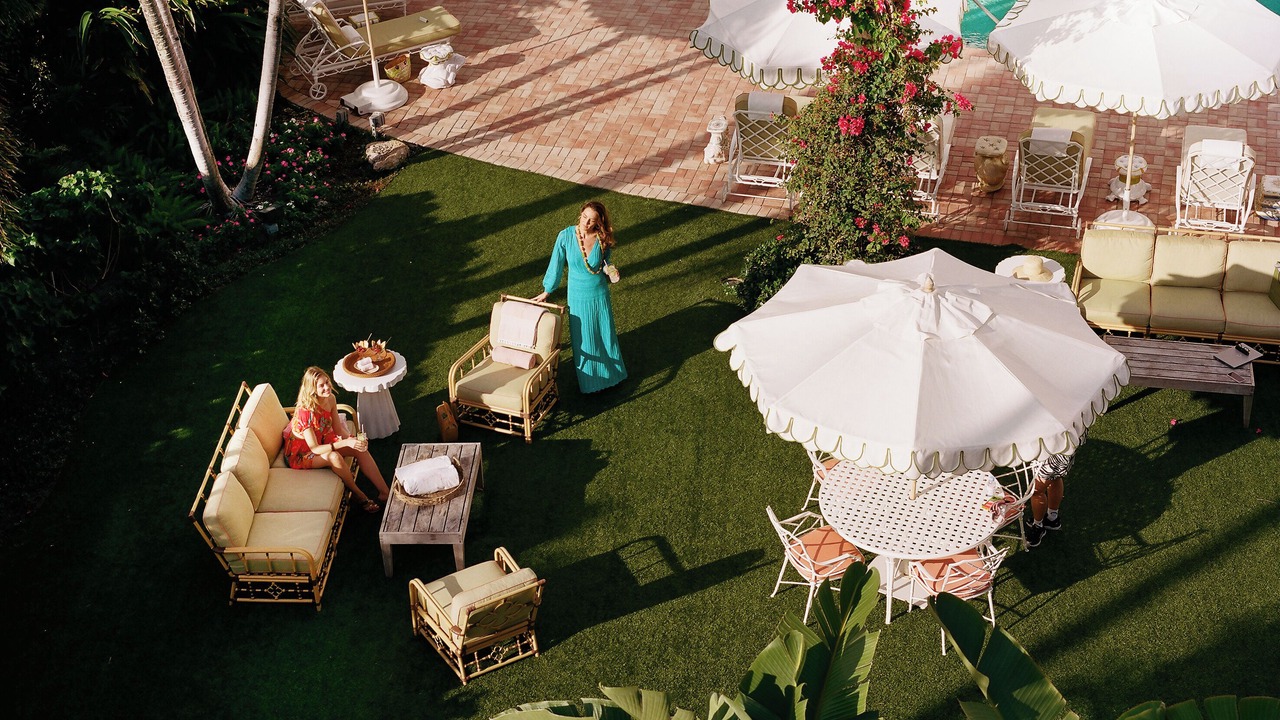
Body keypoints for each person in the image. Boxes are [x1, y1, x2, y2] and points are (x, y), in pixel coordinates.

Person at [532, 200, 628, 393]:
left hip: (599, 293)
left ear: (598, 222)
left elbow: (603, 263)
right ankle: (590, 382)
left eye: (591, 220)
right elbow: (556, 265)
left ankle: (614, 374)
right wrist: (547, 290)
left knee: (604, 334)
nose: (586, 222)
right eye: (584, 217)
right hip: (577, 296)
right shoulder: (566, 236)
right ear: (580, 214)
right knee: (583, 337)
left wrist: (610, 270)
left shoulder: (602, 238)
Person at [283, 366, 390, 513]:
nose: (327, 387)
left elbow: (338, 429)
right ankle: (360, 495)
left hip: (322, 438)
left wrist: (354, 440)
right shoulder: (305, 413)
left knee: (358, 448)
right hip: (303, 452)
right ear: (312, 389)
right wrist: (345, 442)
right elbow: (314, 448)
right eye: (321, 385)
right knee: (334, 456)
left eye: (327, 382)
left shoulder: (330, 398)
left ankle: (385, 492)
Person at [1025, 430, 1086, 548]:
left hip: (1054, 446)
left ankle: (1038, 526)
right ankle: (1052, 518)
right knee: (1056, 477)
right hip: (1069, 441)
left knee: (1036, 491)